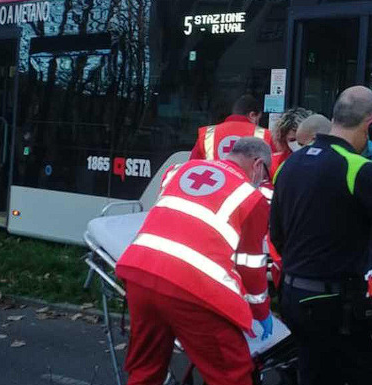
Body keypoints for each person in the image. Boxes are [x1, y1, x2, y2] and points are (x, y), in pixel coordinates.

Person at [270, 86, 372, 385]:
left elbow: (277, 235)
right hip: (334, 306)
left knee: (315, 374)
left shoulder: (289, 166)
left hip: (293, 297)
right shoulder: (358, 169)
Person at [116, 137, 274, 385]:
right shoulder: (251, 198)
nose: (262, 182)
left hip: (140, 272)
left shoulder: (178, 170)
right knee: (231, 374)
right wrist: (261, 311)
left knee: (145, 368)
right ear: (257, 165)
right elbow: (250, 265)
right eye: (265, 175)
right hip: (193, 288)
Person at [190, 95, 276, 161]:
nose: (258, 124)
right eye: (258, 119)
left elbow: (193, 166)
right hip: (248, 184)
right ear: (252, 115)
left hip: (215, 183)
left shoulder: (208, 135)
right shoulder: (265, 135)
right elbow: (273, 170)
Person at [270, 107, 314, 178]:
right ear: (284, 140)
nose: (299, 143)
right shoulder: (273, 164)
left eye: (303, 138)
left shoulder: (325, 162)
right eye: (292, 140)